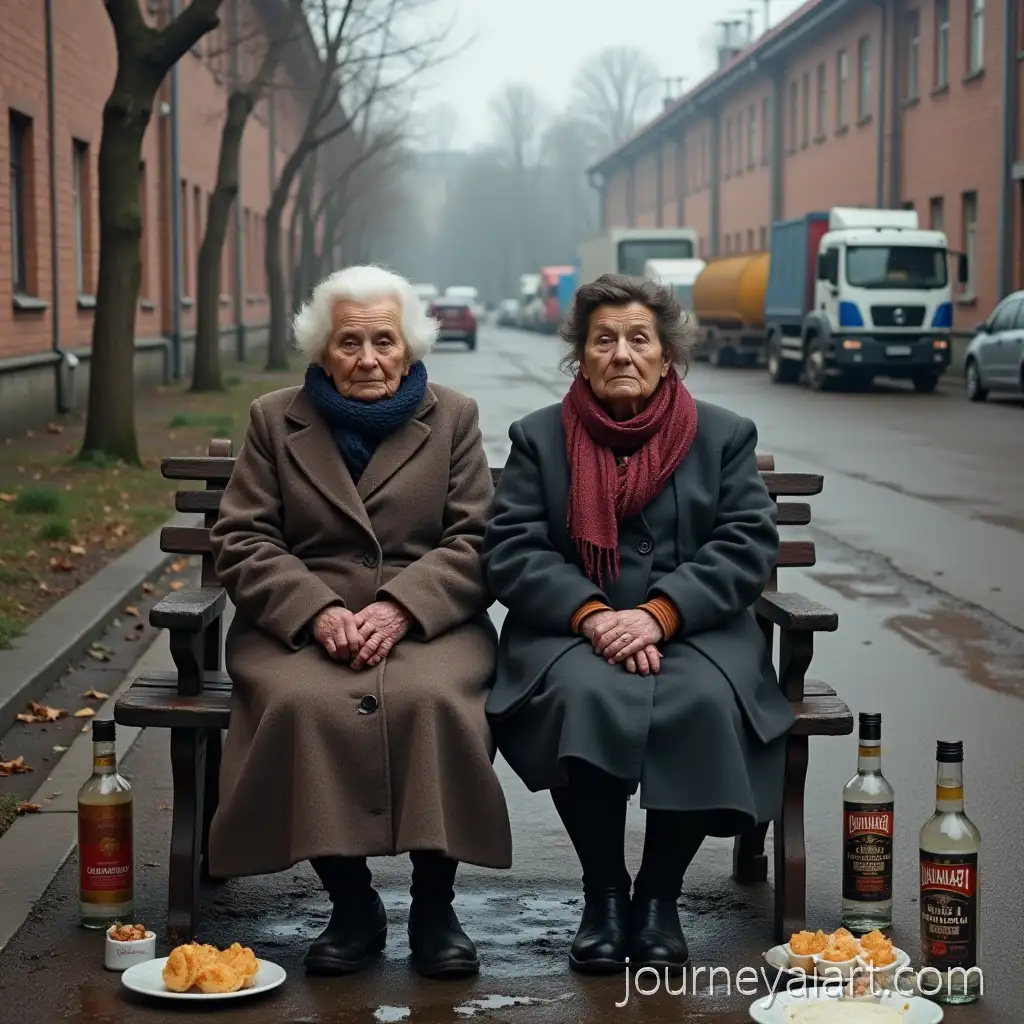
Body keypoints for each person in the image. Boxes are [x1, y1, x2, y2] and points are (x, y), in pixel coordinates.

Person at [481, 274, 795, 975]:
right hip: (574, 630)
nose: (621, 353)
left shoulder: (722, 435)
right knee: (582, 696)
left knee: (702, 701)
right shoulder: (539, 437)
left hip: (695, 629)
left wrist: (661, 612)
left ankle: (658, 897)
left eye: (638, 339)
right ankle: (604, 894)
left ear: (666, 354)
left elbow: (746, 543)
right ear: (581, 355)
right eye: (604, 340)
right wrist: (592, 614)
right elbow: (513, 549)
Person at [206, 265, 512, 980]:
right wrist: (315, 609)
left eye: (384, 340)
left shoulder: (454, 416)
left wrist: (403, 605)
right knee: (302, 701)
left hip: (428, 622)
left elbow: (476, 538)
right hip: (301, 624)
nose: (368, 359)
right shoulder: (274, 419)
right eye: (349, 342)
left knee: (433, 700)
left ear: (409, 347)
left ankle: (435, 907)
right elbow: (243, 539)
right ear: (323, 350)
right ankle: (351, 905)